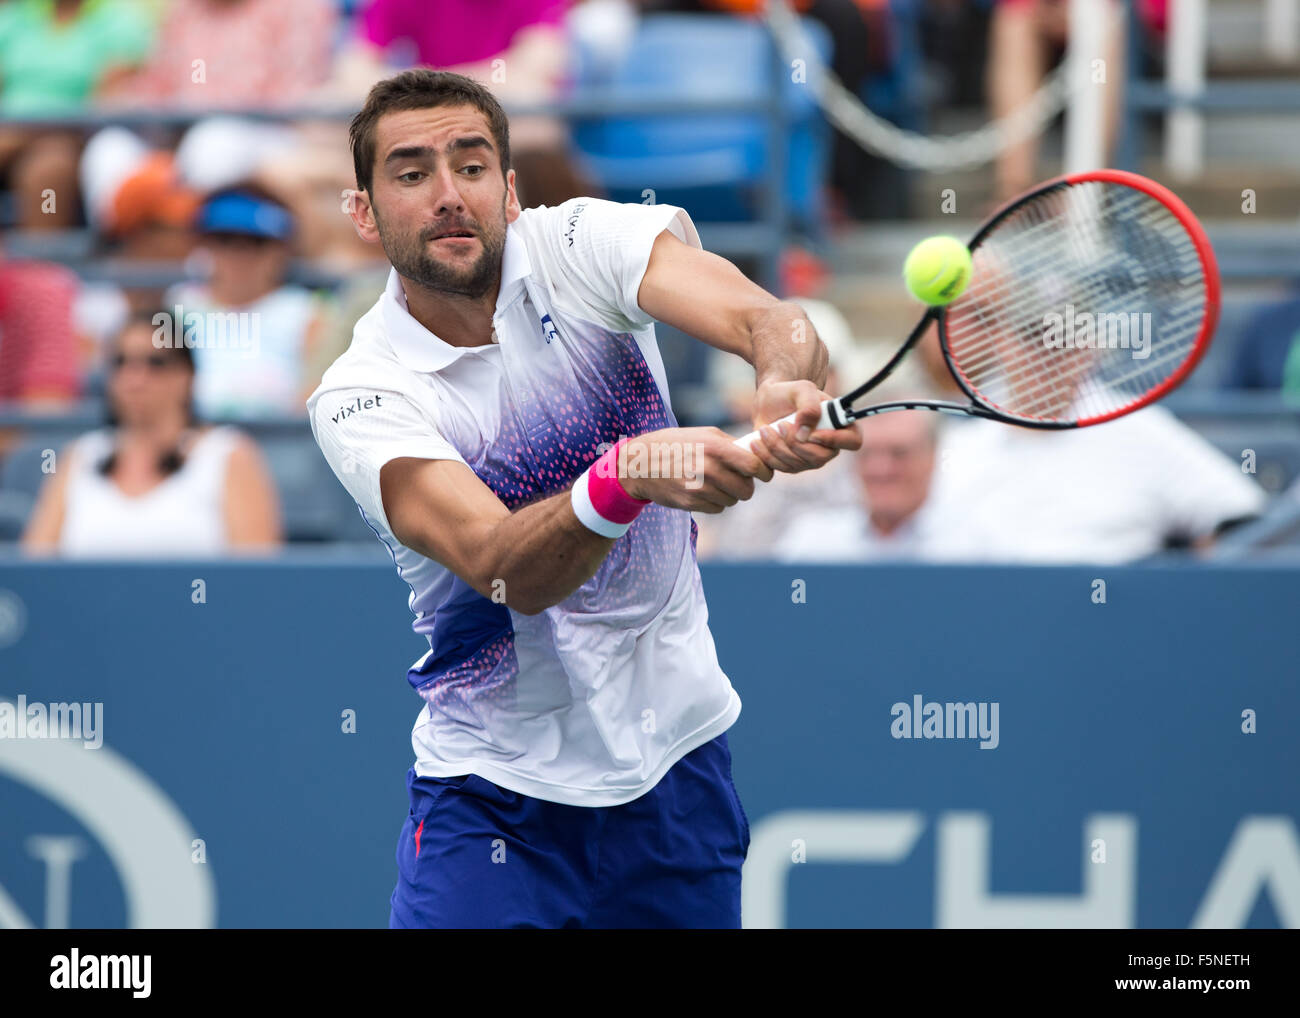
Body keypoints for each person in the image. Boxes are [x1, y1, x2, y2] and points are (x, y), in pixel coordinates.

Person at [307, 69, 860, 929]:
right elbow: (502, 570)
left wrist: (782, 383)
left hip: (677, 776)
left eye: (473, 165)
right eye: (412, 173)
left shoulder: (580, 243)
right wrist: (624, 478)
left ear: (512, 191)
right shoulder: (362, 393)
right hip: (492, 800)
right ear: (366, 213)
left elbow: (770, 320)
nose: (450, 195)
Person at [21, 311, 282, 556]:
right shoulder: (79, 456)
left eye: (154, 363)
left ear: (186, 375)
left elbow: (257, 579)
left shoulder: (228, 454)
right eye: (121, 362)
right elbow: (36, 568)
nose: (134, 379)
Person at [926, 404, 1268, 563]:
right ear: (1001, 341)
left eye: (1065, 337)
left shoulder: (1144, 430)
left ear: (1091, 347)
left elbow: (1246, 522)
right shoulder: (960, 445)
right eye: (1029, 335)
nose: (1047, 351)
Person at [165, 187, 330, 419]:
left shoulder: (306, 311)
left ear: (280, 251)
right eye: (224, 241)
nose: (237, 254)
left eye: (255, 243)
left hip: (280, 442)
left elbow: (316, 397)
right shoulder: (179, 304)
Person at [774, 408, 942, 561]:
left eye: (899, 453)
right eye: (866, 454)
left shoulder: (962, 542)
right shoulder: (811, 542)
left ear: (932, 457)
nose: (880, 470)